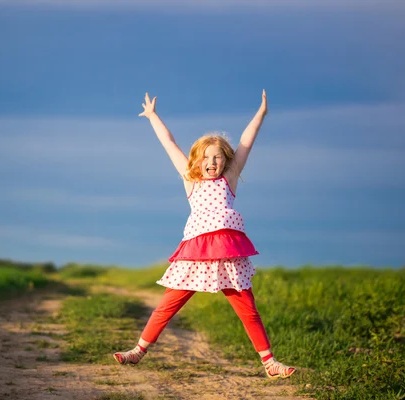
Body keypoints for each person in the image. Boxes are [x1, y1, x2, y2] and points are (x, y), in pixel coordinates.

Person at [113, 91, 296, 380]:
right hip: (195, 254)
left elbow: (246, 142)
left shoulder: (230, 178)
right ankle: (138, 350)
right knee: (166, 306)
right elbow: (169, 144)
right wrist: (152, 116)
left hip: (228, 254)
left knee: (248, 310)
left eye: (218, 157)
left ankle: (270, 363)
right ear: (196, 161)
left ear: (226, 161)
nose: (212, 162)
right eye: (206, 157)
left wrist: (261, 114)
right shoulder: (190, 179)